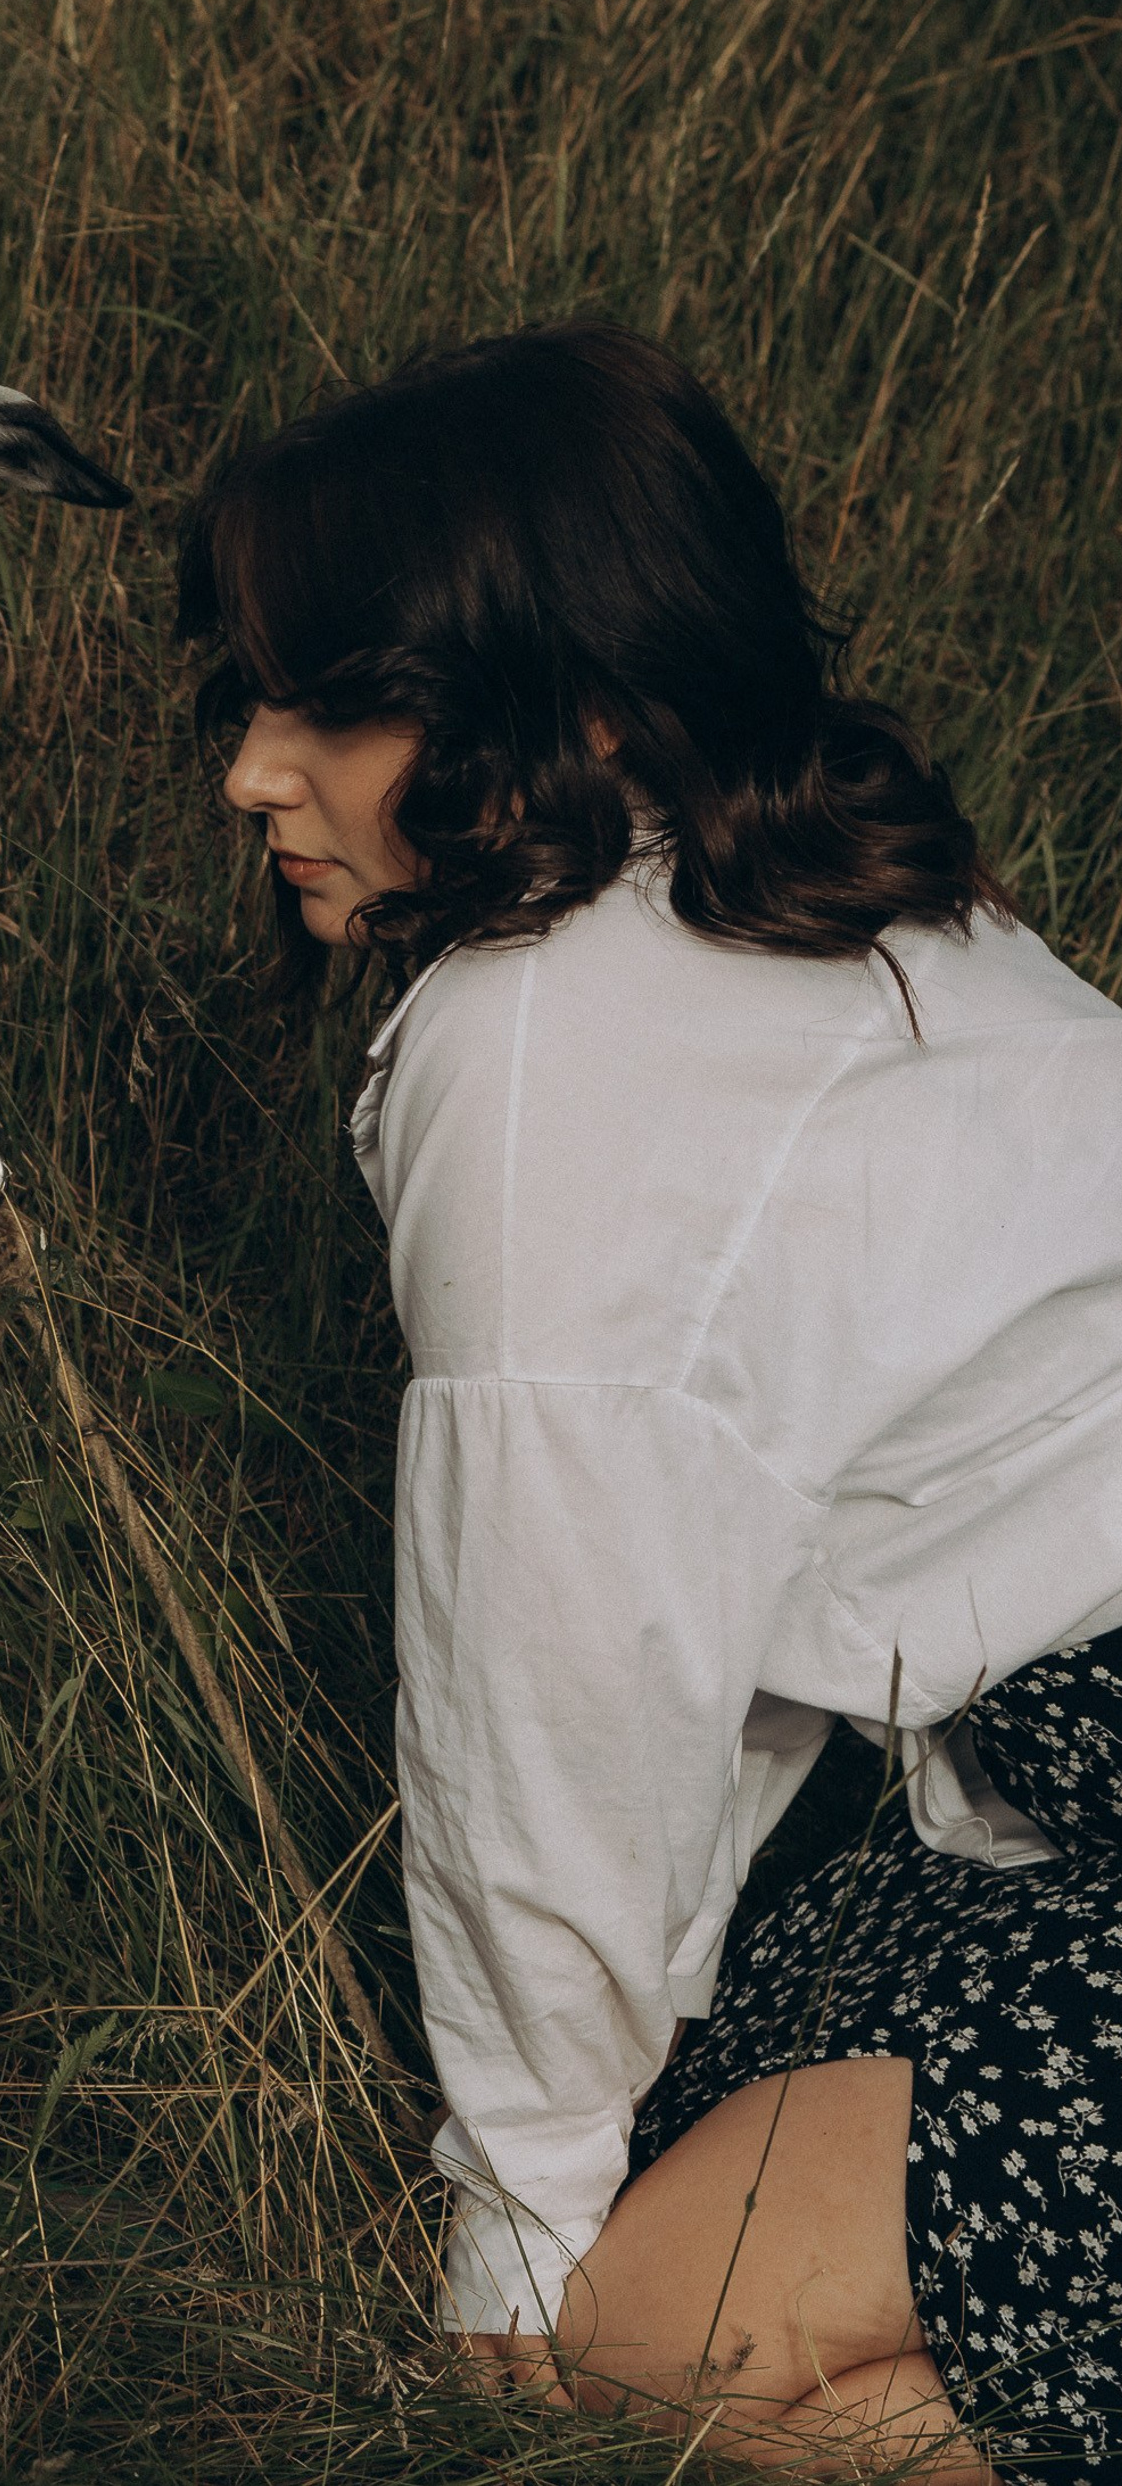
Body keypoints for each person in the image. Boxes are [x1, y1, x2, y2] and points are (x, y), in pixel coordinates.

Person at [181, 318, 1122, 2482]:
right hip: (1043, 1793)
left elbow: (550, 1686)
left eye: (333, 702)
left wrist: (509, 2229)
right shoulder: (809, 874)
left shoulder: (535, 1053)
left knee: (625, 2360)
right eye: (249, 695)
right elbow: (707, 1570)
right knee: (711, 2168)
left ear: (572, 700)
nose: (251, 771)